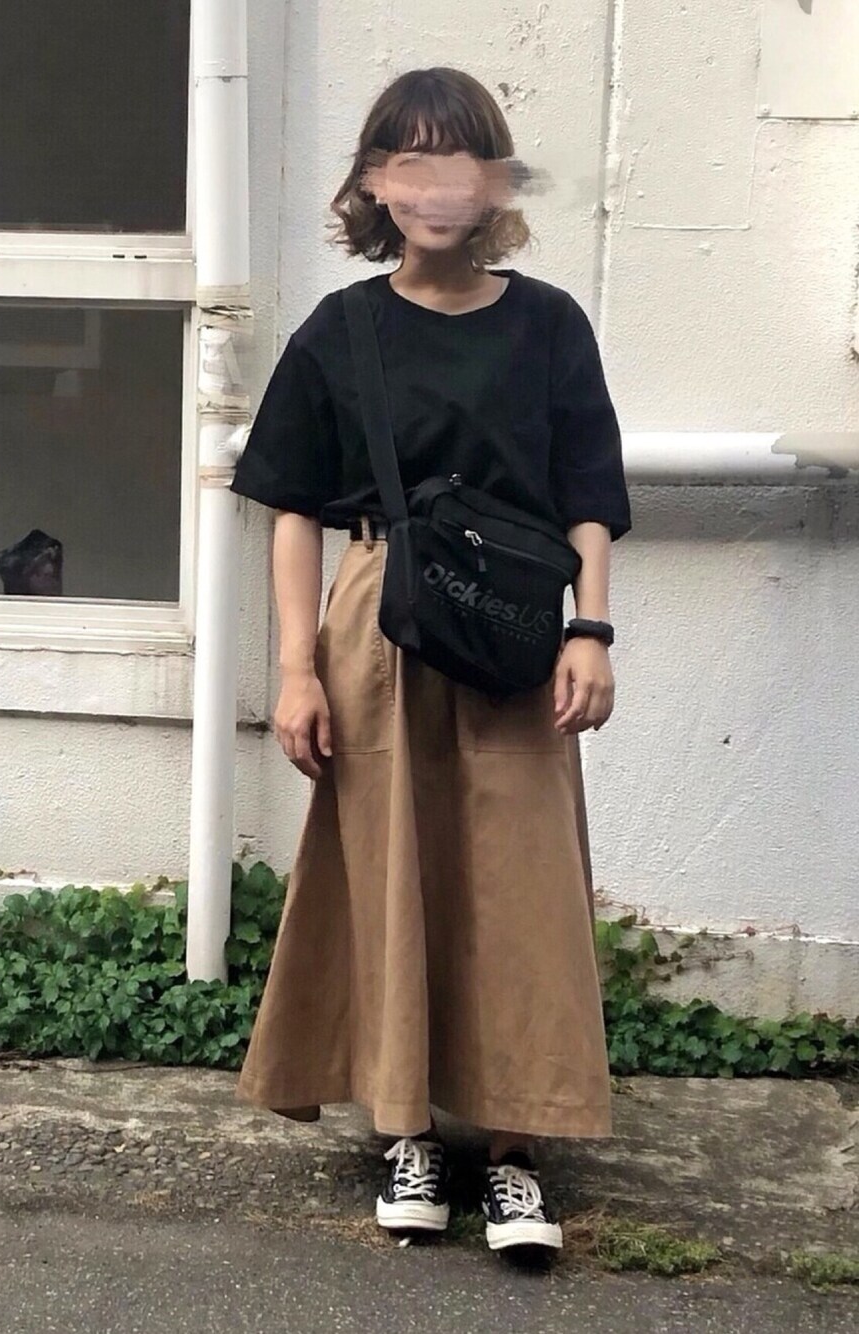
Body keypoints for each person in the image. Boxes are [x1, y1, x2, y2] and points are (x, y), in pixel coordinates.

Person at [230, 66, 631, 1255]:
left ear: (494, 183)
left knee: (520, 879)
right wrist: (296, 668)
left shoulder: (547, 324)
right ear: (373, 183)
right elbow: (291, 506)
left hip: (513, 628)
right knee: (387, 865)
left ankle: (513, 1151)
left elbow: (588, 492)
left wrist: (591, 629)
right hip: (378, 625)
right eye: (408, 162)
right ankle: (406, 1128)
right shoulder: (341, 331)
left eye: (458, 161)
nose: (435, 186)